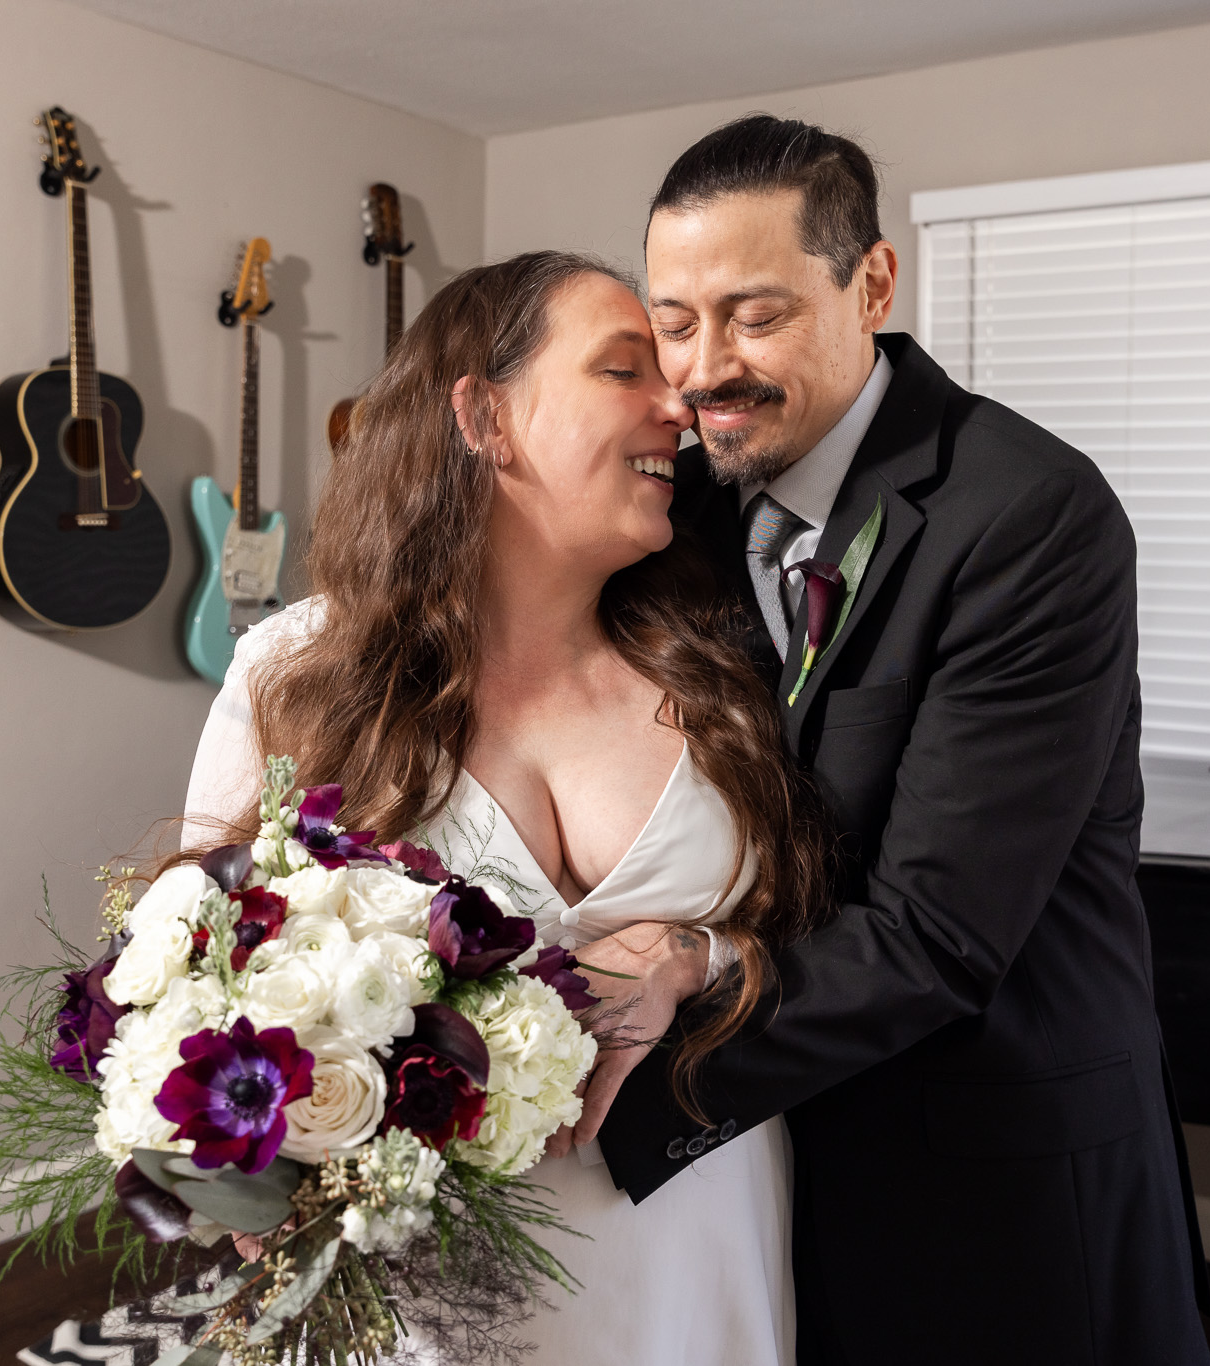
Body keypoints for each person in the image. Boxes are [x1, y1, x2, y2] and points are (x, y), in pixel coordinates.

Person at [574, 115, 1210, 1365]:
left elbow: (939, 930)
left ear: (869, 280)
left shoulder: (1030, 514)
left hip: (994, 1167)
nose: (703, 369)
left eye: (753, 315)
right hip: (778, 1170)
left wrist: (582, 1091)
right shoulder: (682, 502)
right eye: (673, 321)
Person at [179, 250, 833, 1364]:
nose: (675, 403)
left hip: (698, 1237)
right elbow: (204, 976)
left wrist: (696, 953)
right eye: (624, 368)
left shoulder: (725, 671)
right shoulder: (296, 671)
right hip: (431, 1274)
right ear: (483, 416)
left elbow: (813, 931)